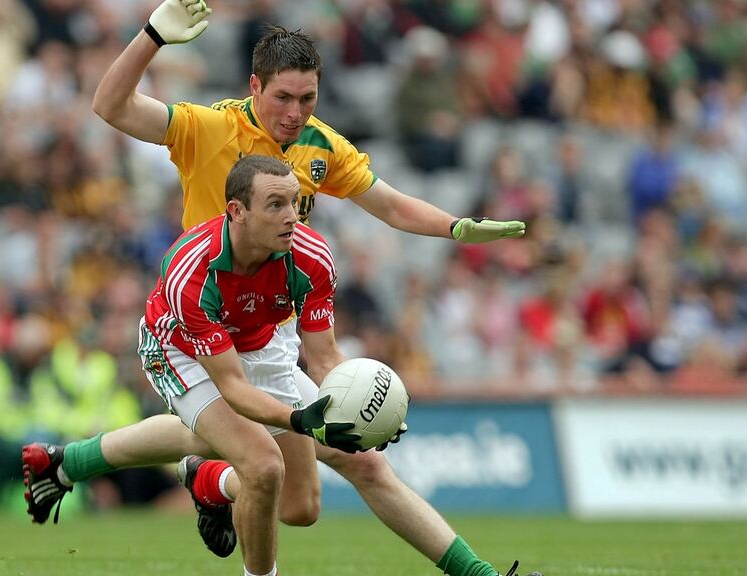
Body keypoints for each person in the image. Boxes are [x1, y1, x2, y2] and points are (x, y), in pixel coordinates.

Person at [27, 1, 538, 576]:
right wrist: (151, 36)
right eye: (283, 98)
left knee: (311, 499)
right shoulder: (208, 128)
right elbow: (109, 105)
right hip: (195, 323)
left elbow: (391, 207)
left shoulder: (320, 158)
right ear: (254, 87)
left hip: (267, 330)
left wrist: (456, 227)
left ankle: (200, 479)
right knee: (260, 461)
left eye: (308, 99)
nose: (295, 114)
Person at [28, 155, 365, 576]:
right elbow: (233, 388)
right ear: (236, 212)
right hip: (178, 349)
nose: (292, 216)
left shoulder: (311, 254)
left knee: (301, 508)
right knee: (262, 465)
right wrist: (299, 419)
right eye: (275, 204)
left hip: (257, 346)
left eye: (294, 202)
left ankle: (207, 480)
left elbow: (325, 357)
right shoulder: (192, 269)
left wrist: (359, 409)